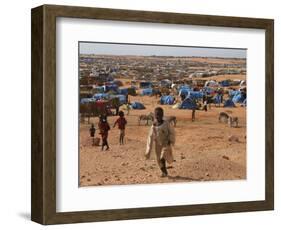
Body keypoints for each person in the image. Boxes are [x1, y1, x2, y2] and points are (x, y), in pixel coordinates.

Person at [145, 107, 175, 177]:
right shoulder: (154, 126)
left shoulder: (166, 123)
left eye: (160, 114)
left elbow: (172, 132)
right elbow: (150, 137)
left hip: (166, 143)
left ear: (162, 115)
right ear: (154, 115)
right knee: (158, 159)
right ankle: (164, 172)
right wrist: (148, 150)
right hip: (157, 145)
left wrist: (170, 140)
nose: (158, 116)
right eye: (157, 115)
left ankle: (164, 172)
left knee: (162, 157)